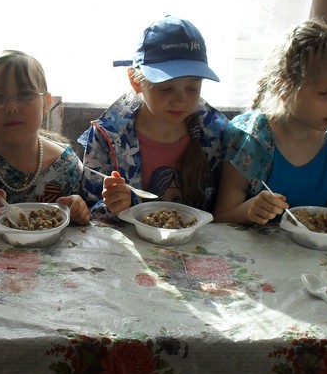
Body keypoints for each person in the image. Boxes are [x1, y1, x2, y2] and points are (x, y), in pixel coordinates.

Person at [78, 15, 229, 220]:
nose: (180, 100)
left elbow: (225, 209)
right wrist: (112, 207)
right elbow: (86, 212)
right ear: (135, 81)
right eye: (166, 88)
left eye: (192, 88)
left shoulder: (216, 133)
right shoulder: (107, 136)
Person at [213, 18, 327, 225]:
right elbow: (220, 218)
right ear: (282, 89)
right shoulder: (252, 140)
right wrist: (249, 211)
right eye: (324, 93)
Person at [0, 50, 89, 224]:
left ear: (46, 103)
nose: (11, 108)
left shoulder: (66, 166)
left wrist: (79, 213)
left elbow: (78, 230)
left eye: (25, 94)